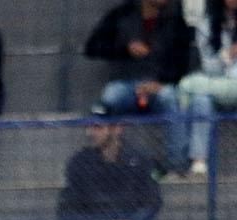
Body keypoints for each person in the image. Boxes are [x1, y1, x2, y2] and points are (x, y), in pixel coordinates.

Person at [84, 0, 194, 176]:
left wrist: (162, 82)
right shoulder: (121, 15)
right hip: (127, 84)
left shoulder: (175, 20)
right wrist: (125, 49)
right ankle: (101, 162)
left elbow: (183, 62)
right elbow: (92, 47)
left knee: (171, 98)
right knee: (110, 96)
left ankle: (176, 167)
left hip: (160, 86)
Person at [180, 0, 237, 177]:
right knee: (200, 100)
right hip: (219, 84)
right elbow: (209, 67)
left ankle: (189, 86)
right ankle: (199, 161)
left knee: (193, 86)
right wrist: (227, 55)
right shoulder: (207, 24)